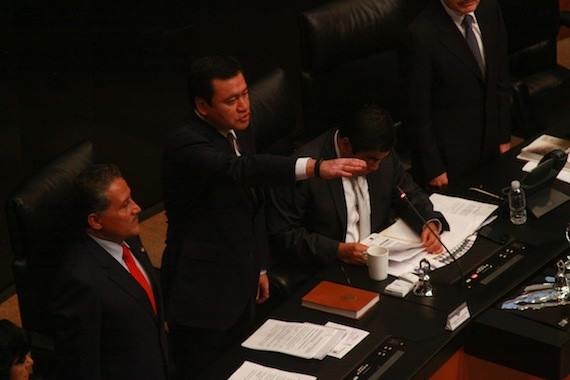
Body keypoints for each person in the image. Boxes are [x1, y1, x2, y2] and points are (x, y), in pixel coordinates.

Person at [161, 55, 366, 378]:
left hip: (242, 275)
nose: (244, 106)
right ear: (202, 106)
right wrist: (314, 167)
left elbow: (252, 202)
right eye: (231, 100)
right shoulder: (185, 145)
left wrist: (259, 264)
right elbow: (240, 170)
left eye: (245, 94)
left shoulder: (239, 129)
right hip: (202, 293)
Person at [268, 105, 449, 270]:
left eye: (381, 159)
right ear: (346, 144)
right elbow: (284, 235)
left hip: (381, 261)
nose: (376, 167)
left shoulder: (380, 153)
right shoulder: (305, 169)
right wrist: (338, 250)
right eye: (370, 159)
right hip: (331, 268)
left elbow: (407, 192)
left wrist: (429, 220)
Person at [51, 164, 170, 380]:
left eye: (131, 199)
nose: (137, 208)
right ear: (95, 221)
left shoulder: (128, 235)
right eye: (125, 205)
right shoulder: (80, 280)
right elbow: (82, 364)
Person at [406, 0, 511, 188]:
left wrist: (503, 136)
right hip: (451, 158)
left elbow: (500, 78)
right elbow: (417, 111)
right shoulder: (421, 33)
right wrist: (433, 167)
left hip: (491, 143)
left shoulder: (489, 8)